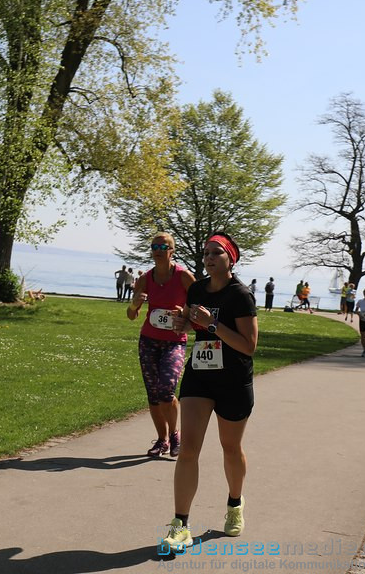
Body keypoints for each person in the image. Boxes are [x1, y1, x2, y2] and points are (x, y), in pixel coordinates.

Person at [161, 233, 258, 550]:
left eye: (216, 253)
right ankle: (180, 524)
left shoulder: (240, 295)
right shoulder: (197, 289)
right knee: (189, 448)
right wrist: (182, 323)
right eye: (205, 253)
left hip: (233, 380)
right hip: (200, 377)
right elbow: (189, 324)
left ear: (231, 258)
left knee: (230, 448)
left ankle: (234, 504)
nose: (209, 258)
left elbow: (248, 346)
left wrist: (212, 324)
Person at [126, 233, 195, 458]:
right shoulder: (145, 279)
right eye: (154, 246)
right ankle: (162, 440)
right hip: (149, 341)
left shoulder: (184, 277)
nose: (157, 250)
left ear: (171, 251)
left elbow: (199, 307)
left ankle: (175, 434)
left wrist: (185, 317)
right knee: (153, 394)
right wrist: (134, 304)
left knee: (167, 388)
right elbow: (131, 314)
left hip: (174, 342)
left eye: (162, 246)